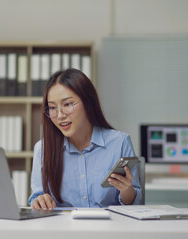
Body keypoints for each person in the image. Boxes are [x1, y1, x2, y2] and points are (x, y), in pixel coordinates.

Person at [28, 68, 142, 209]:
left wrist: (126, 190)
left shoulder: (119, 143)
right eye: (52, 107)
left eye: (67, 104)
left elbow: (135, 204)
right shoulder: (43, 149)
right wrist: (40, 201)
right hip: (62, 229)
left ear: (88, 102)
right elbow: (36, 198)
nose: (60, 115)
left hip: (109, 228)